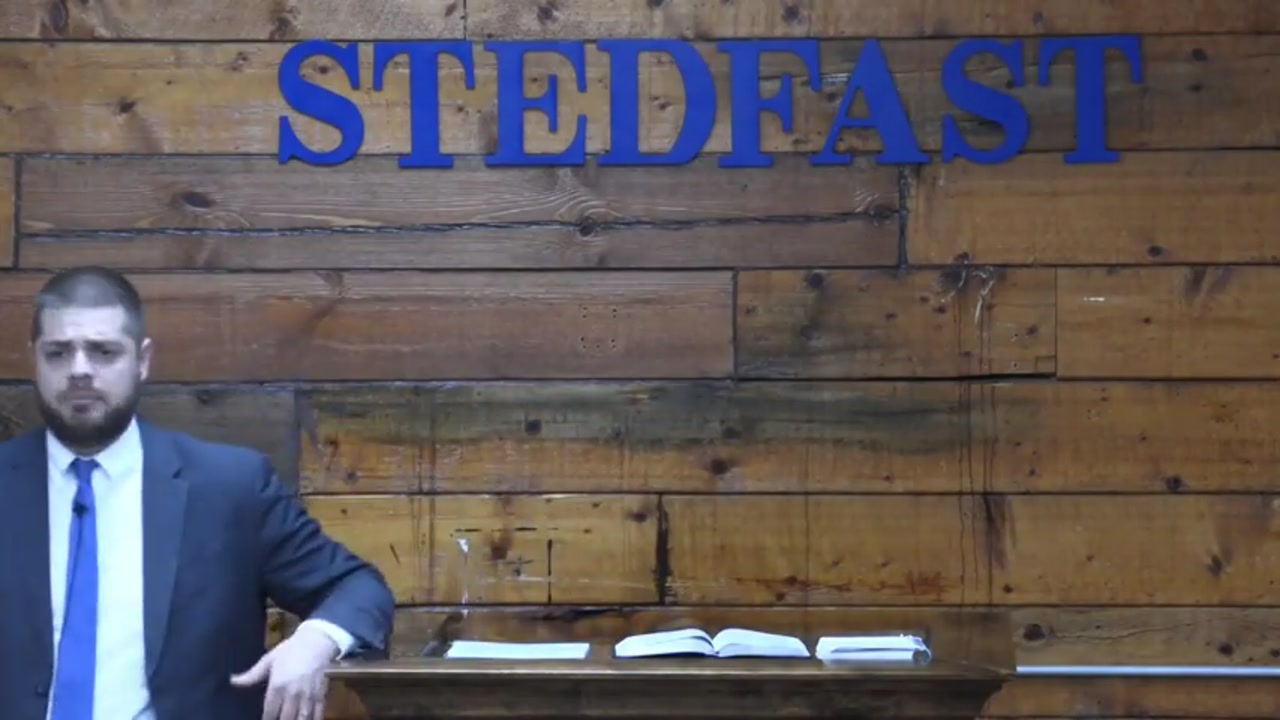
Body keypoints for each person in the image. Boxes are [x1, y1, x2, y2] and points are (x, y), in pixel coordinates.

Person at [0, 266, 395, 720]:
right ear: (33, 358)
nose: (79, 370)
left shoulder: (228, 488)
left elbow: (358, 588)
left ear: (142, 360)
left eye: (103, 351)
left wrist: (316, 640)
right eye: (58, 353)